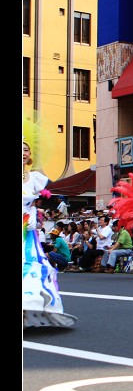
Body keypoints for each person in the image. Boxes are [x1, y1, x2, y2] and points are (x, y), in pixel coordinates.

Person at [22, 134, 77, 328]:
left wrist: (33, 214)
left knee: (31, 266)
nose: (22, 152)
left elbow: (48, 197)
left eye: (25, 149)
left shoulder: (35, 178)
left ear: (30, 155)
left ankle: (27, 306)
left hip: (27, 233)